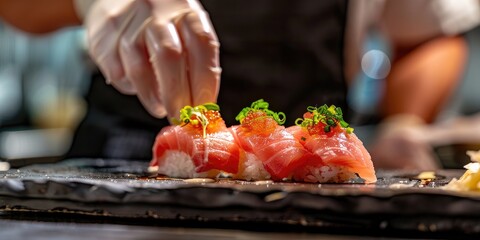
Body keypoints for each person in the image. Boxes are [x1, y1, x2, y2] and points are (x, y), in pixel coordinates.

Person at [0, 0, 478, 169]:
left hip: (314, 178)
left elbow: (429, 34)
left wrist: (404, 119)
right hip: (122, 156)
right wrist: (90, 1)